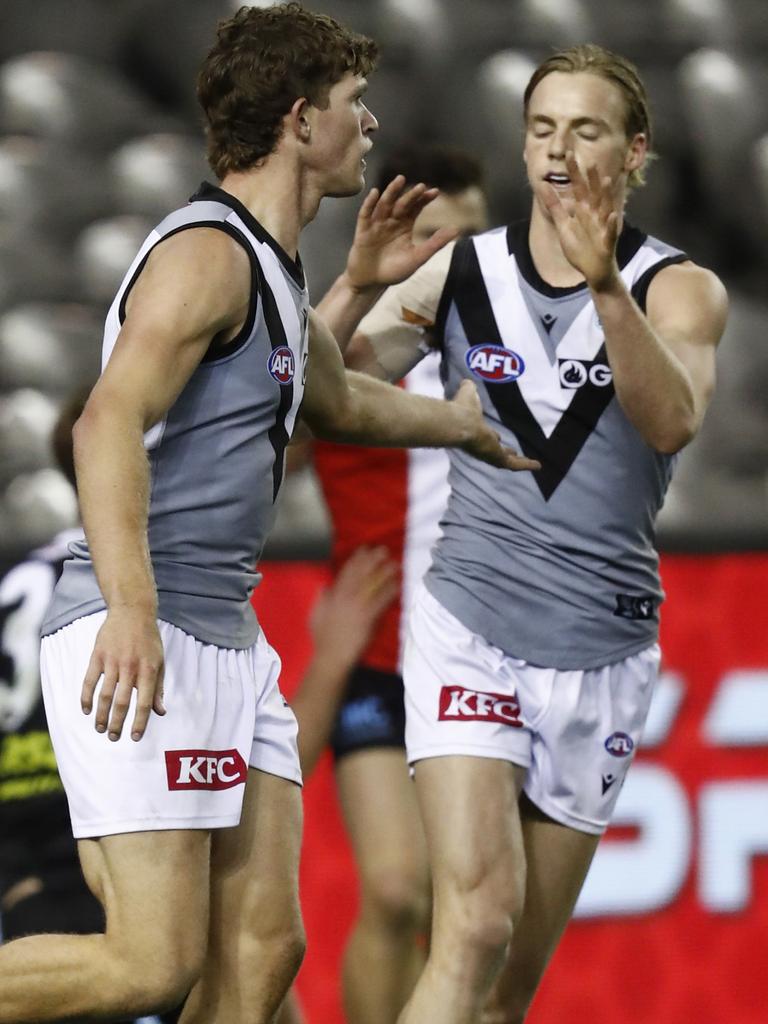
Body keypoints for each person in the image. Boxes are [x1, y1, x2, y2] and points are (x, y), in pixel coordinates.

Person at [0, 5, 538, 1023]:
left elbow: (340, 400)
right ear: (299, 120)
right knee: (149, 966)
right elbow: (105, 419)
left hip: (226, 639)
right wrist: (129, 604)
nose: (371, 125)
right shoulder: (206, 254)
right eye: (353, 104)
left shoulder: (273, 269)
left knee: (262, 950)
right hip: (143, 630)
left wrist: (462, 424)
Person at [317, 43, 728, 1024]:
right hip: (468, 625)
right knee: (473, 924)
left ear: (634, 154)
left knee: (508, 989)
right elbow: (310, 394)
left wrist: (605, 290)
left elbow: (671, 419)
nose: (559, 150)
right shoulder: (463, 271)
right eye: (542, 127)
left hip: (603, 649)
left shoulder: (680, 289)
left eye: (586, 130)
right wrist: (354, 285)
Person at [312, 144, 489, 1024]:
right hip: (379, 654)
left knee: (478, 914)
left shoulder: (512, 354)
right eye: (427, 235)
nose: (447, 256)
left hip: (485, 656)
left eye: (465, 236)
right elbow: (267, 419)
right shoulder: (340, 355)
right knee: (394, 891)